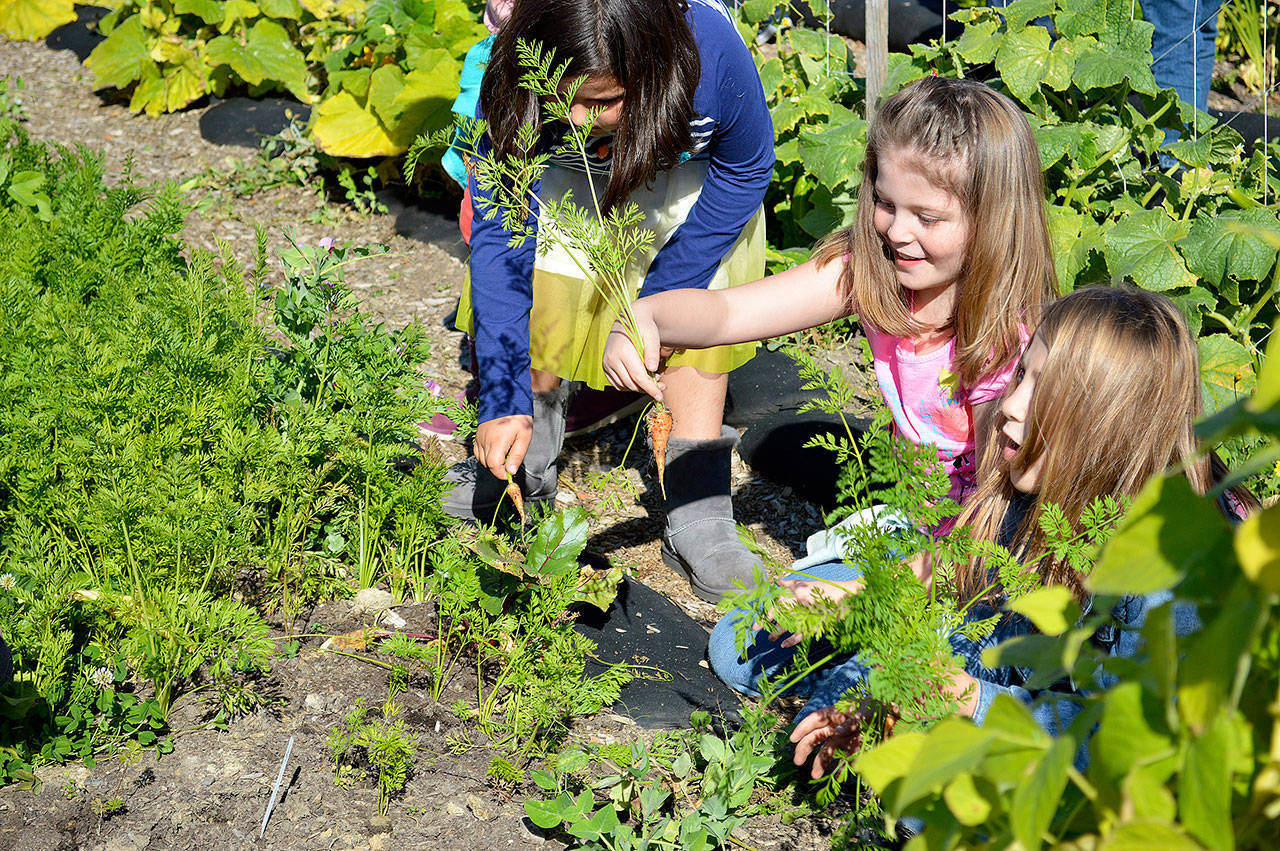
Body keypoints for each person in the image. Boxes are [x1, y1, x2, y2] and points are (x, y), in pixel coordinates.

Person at [702, 286, 1256, 780]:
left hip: (1060, 733)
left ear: (1109, 427)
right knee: (747, 646)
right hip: (983, 650)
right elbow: (962, 581)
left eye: (1046, 394)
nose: (1011, 407)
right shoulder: (1024, 481)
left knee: (935, 789)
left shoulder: (1167, 569)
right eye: (1022, 376)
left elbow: (1123, 746)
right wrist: (871, 600)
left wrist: (962, 699)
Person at [604, 75, 1058, 545]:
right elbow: (727, 315)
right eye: (885, 203)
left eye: (927, 218)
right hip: (915, 523)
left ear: (994, 218)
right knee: (756, 619)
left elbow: (997, 496)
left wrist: (920, 579)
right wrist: (646, 316)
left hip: (986, 546)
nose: (898, 231)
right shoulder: (872, 271)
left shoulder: (1005, 337)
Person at [445, 0, 776, 601]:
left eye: (600, 101)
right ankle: (522, 474)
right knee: (547, 291)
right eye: (560, 98)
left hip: (687, 181)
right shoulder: (515, 74)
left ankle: (699, 511)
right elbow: (501, 240)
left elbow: (746, 167)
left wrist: (660, 302)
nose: (577, 117)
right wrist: (501, 395)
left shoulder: (709, 60)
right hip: (568, 181)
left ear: (648, 67)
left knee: (698, 318)